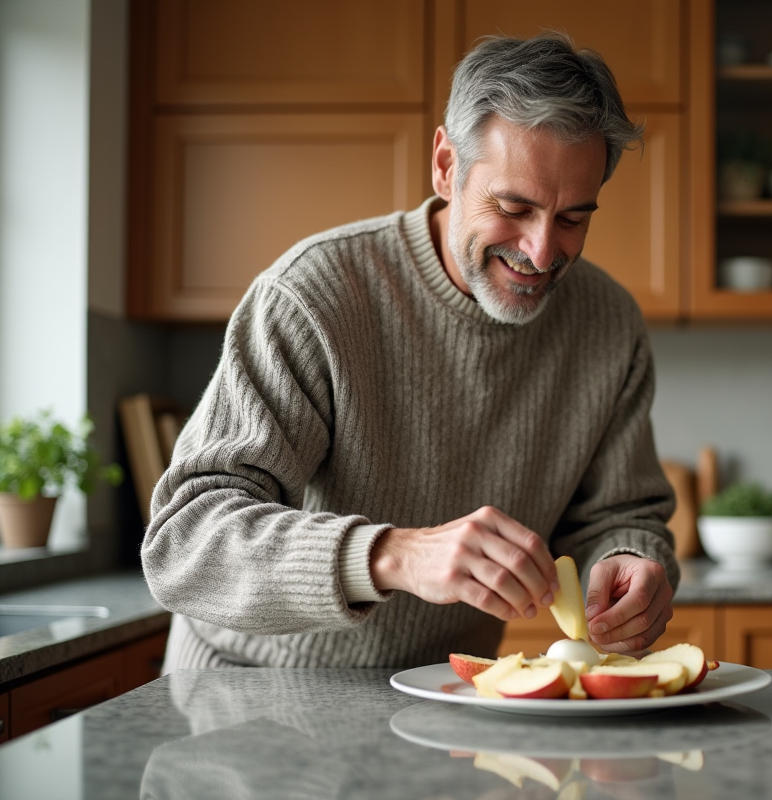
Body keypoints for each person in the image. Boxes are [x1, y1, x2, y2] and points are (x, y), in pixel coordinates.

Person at [142, 32, 680, 672]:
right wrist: (391, 555)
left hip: (436, 698)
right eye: (514, 207)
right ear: (447, 165)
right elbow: (183, 544)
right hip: (244, 698)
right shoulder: (314, 296)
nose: (541, 252)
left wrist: (630, 557)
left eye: (573, 219)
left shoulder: (607, 323)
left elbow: (620, 516)